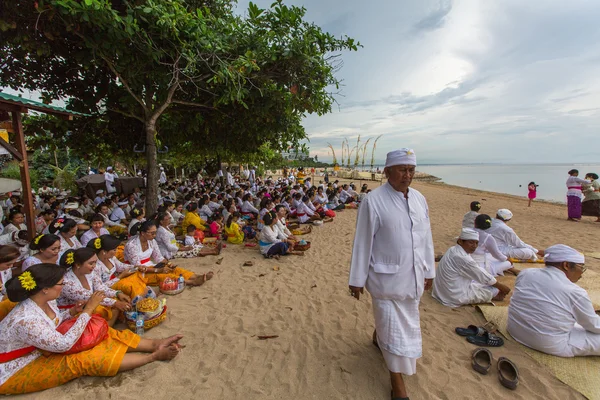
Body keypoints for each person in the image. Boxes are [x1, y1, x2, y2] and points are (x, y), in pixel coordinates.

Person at [0, 264, 182, 395]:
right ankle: (154, 356)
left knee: (101, 331)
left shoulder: (46, 300)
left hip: (44, 348)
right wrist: (87, 309)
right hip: (16, 367)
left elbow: (54, 323)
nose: (63, 287)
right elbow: (63, 344)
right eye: (60, 284)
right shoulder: (25, 319)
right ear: (45, 289)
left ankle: (153, 344)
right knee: (81, 360)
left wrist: (72, 312)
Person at [348, 148, 435, 400]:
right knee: (390, 328)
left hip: (414, 277)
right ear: (387, 172)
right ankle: (397, 385)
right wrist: (356, 279)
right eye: (402, 170)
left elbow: (426, 238)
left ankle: (378, 338)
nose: (408, 175)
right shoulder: (373, 200)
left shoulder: (419, 199)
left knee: (399, 326)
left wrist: (429, 269)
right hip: (385, 280)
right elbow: (362, 242)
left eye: (411, 170)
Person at [508, 244, 600, 357]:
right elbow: (593, 325)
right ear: (566, 265)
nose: (581, 273)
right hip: (549, 343)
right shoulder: (575, 292)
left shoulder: (525, 273)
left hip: (515, 330)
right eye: (581, 267)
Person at [432, 228, 511, 308]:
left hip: (440, 291)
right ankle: (493, 295)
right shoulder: (463, 258)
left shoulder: (452, 249)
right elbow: (481, 275)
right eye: (471, 242)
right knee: (494, 290)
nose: (474, 246)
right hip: (452, 297)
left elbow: (479, 273)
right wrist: (501, 287)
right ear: (460, 241)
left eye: (476, 243)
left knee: (482, 284)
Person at [124, 220, 214, 287]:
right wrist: (157, 270)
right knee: (165, 275)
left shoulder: (151, 241)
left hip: (150, 266)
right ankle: (190, 282)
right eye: (152, 233)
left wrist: (168, 264)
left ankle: (196, 276)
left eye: (155, 233)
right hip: (138, 272)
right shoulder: (131, 245)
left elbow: (158, 257)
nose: (154, 235)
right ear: (143, 233)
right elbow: (137, 267)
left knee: (174, 269)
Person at [58, 248, 132, 326]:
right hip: (74, 312)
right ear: (78, 265)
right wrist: (116, 303)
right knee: (104, 309)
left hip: (90, 302)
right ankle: (105, 331)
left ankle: (107, 328)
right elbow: (89, 298)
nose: (94, 266)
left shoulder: (89, 271)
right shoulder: (66, 282)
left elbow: (100, 287)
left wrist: (117, 293)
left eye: (95, 262)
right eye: (91, 263)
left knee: (116, 300)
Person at [87, 235, 151, 300]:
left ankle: (142, 294)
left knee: (136, 274)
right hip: (108, 287)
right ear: (104, 252)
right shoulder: (95, 266)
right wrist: (120, 276)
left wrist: (136, 267)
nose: (116, 251)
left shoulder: (111, 258)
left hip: (117, 279)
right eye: (114, 250)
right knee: (128, 285)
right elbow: (100, 287)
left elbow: (121, 266)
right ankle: (139, 298)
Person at [0, 246, 21, 321]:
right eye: (8, 264)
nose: (11, 266)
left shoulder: (6, 270)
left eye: (12, 264)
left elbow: (6, 287)